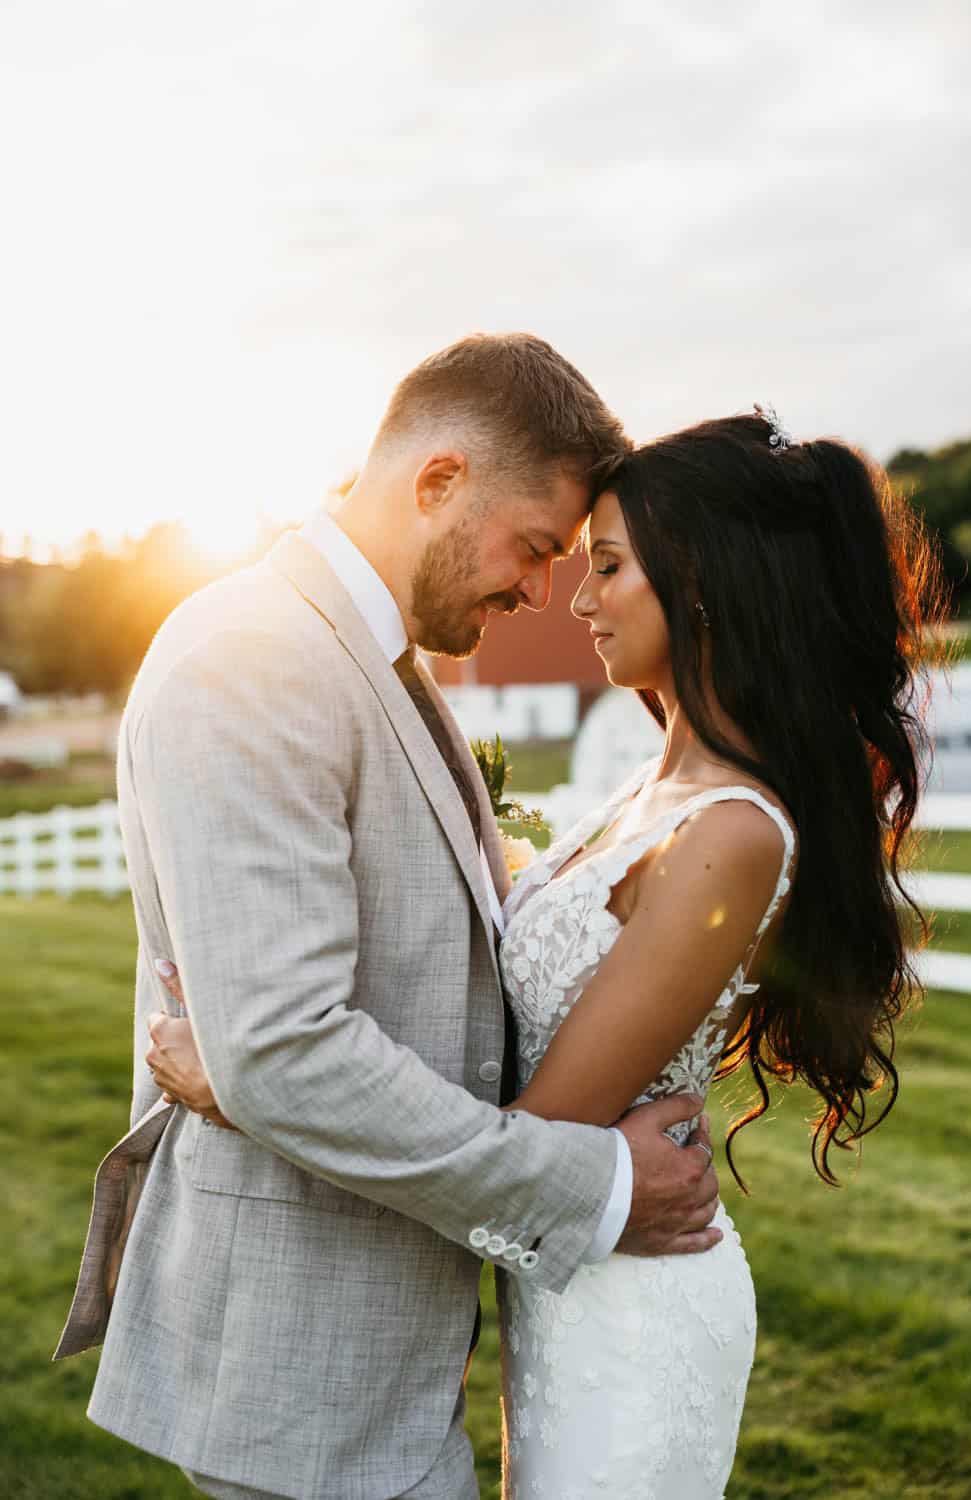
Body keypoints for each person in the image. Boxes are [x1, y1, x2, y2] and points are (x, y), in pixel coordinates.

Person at [147, 405, 943, 1498]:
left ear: (700, 583)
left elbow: (537, 1130)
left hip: (629, 1312)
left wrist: (246, 1080)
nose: (573, 597)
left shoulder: (729, 836)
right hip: (562, 1290)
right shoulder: (654, 792)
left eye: (607, 565)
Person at [54, 333, 724, 1500]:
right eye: (534, 547)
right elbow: (288, 1049)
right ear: (437, 481)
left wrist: (252, 1072)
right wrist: (594, 1185)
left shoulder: (373, 659)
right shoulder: (254, 658)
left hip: (381, 1354)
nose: (537, 591)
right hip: (299, 1361)